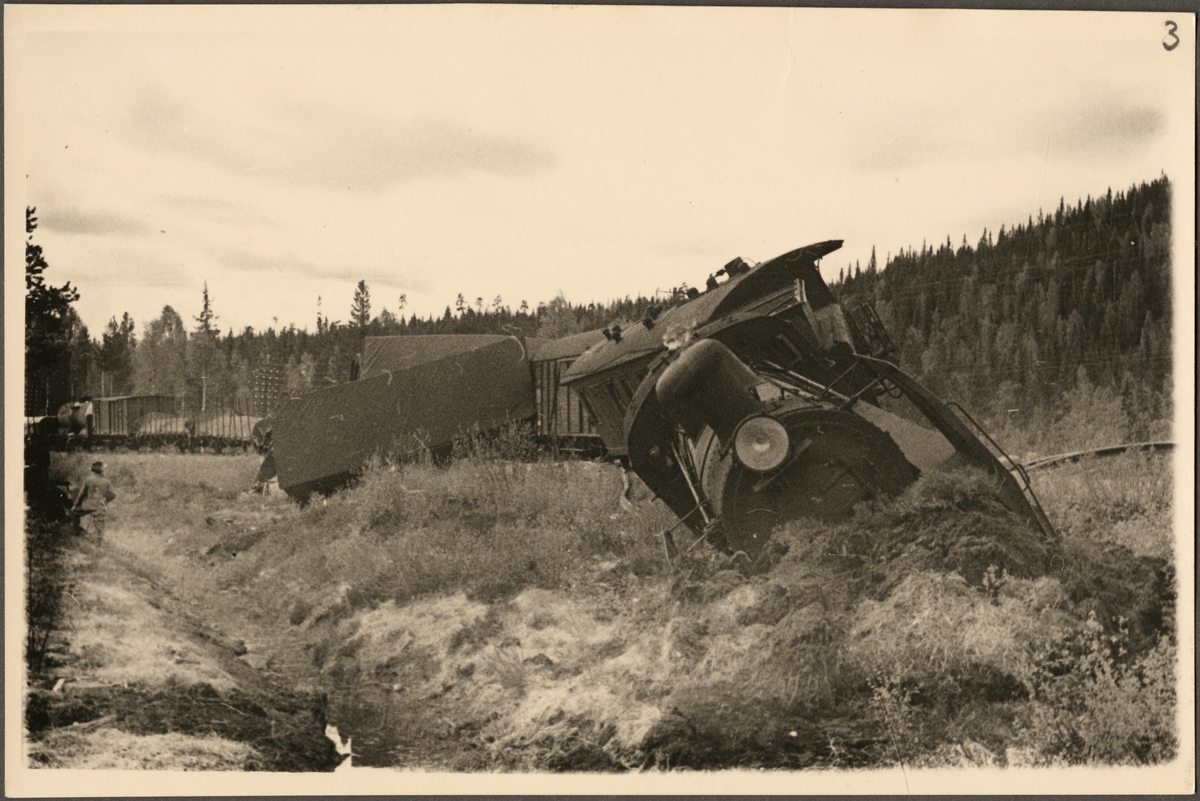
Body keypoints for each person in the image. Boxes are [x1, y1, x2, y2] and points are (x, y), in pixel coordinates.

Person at [72, 461, 116, 540]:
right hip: (100, 507)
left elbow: (82, 495)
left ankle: (78, 533)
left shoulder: (88, 480)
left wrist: (76, 505)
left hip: (88, 506)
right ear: (102, 471)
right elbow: (113, 495)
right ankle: (99, 542)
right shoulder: (107, 482)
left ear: (93, 471)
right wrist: (105, 501)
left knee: (73, 512)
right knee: (100, 527)